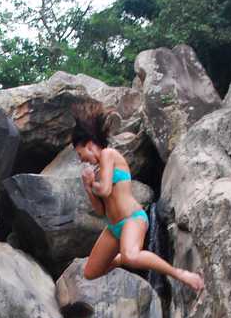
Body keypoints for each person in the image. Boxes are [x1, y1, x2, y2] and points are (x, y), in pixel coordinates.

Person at [71, 112, 204, 292]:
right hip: (114, 227)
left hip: (133, 219)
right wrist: (88, 187)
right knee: (90, 272)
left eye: (81, 154)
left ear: (89, 144)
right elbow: (101, 211)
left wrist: (92, 183)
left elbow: (105, 190)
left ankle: (180, 274)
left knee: (131, 257)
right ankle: (121, 257)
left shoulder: (108, 154)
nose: (82, 160)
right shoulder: (98, 170)